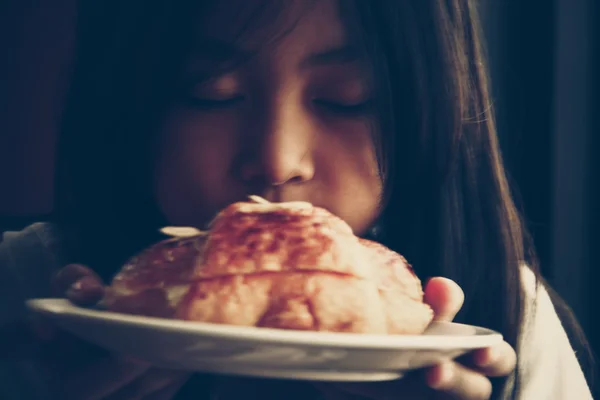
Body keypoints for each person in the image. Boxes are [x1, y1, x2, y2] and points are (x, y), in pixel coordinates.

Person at [0, 0, 593, 399]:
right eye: (210, 93)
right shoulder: (27, 290)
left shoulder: (502, 317)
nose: (279, 160)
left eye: (347, 98)